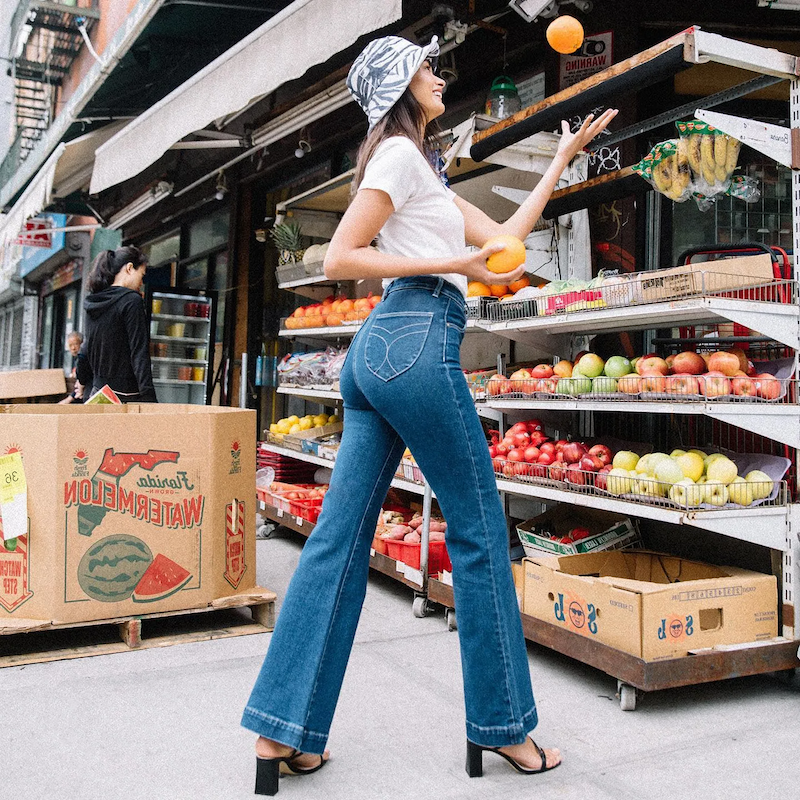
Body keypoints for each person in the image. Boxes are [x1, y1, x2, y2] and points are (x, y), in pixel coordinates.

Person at [241, 34, 617, 795]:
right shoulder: (397, 158)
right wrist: (452, 265)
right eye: (428, 67)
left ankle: (280, 733)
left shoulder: (423, 173)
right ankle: (505, 729)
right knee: (480, 532)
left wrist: (559, 158)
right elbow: (338, 258)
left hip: (378, 354)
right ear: (400, 87)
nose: (440, 75)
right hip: (415, 341)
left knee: (336, 544)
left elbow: (505, 244)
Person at [77, 246, 157, 403]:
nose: (141, 282)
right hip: (126, 395)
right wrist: (149, 398)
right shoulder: (132, 301)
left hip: (98, 393)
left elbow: (85, 349)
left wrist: (81, 379)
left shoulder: (94, 301)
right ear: (129, 268)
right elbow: (139, 353)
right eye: (141, 275)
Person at [58, 331, 87, 404]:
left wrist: (69, 399)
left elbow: (83, 379)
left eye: (76, 344)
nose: (73, 348)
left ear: (82, 343)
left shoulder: (83, 358)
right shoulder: (77, 361)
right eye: (70, 345)